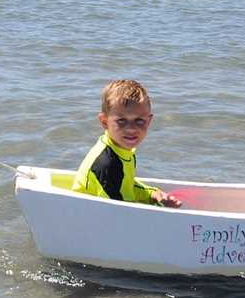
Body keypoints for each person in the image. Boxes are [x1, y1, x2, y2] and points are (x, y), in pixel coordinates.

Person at [72, 79, 181, 207]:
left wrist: (151, 194)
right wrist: (161, 208)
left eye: (139, 120)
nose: (131, 128)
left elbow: (125, 184)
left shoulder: (120, 149)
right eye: (121, 120)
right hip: (87, 215)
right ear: (104, 122)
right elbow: (119, 211)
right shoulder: (107, 164)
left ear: (149, 121)